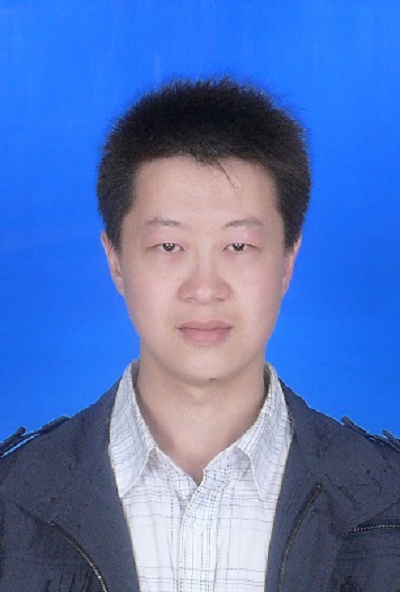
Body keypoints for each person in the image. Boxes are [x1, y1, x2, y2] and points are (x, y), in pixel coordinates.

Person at [1, 79, 399, 592]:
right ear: (115, 260)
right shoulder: (13, 500)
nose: (205, 289)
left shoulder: (386, 501)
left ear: (287, 260)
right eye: (169, 246)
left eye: (238, 246)